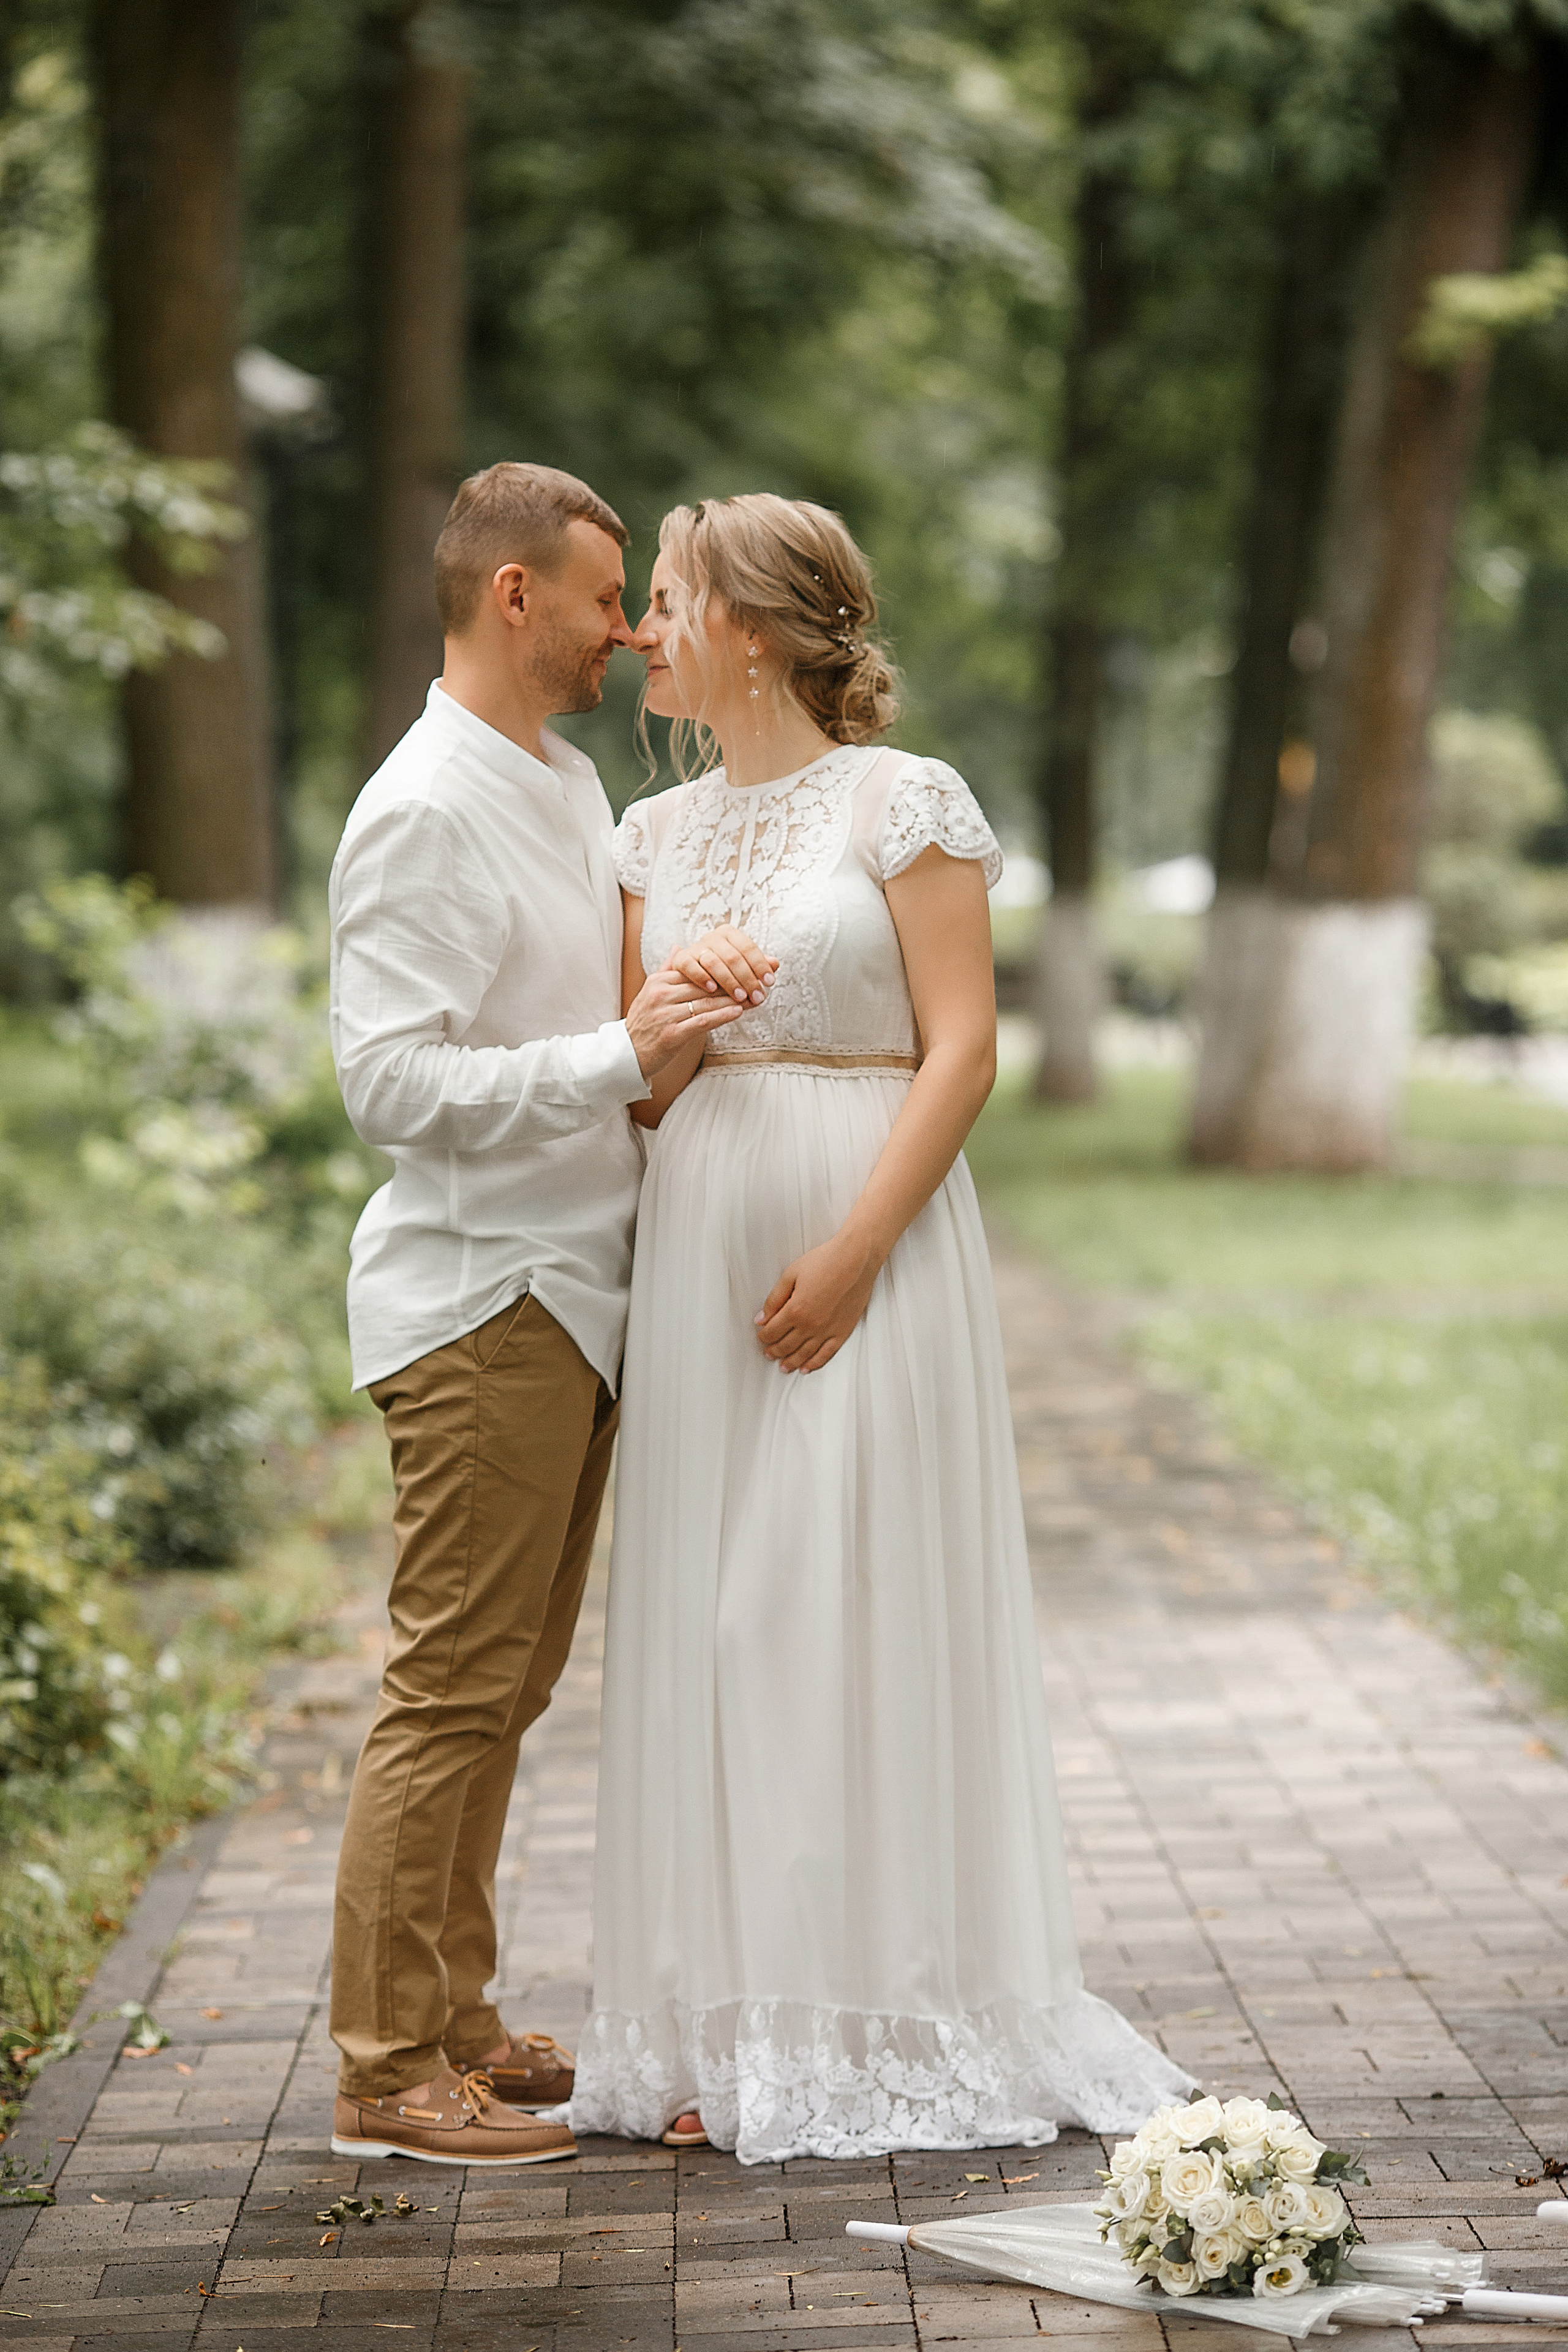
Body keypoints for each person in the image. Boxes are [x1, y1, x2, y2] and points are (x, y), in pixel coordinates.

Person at [567, 492, 1194, 2163]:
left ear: (757, 630)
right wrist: (671, 1022)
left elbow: (965, 1049)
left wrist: (852, 1253)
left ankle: (891, 2010)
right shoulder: (650, 838)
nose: (644, 630)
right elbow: (641, 1097)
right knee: (715, 1624)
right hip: (702, 1231)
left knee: (833, 1602)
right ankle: (732, 2022)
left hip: (874, 1225)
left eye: (675, 599)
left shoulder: (903, 804)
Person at [325, 462, 769, 2168]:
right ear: (516, 598)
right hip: (482, 1296)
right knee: (448, 1691)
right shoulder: (426, 804)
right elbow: (387, 1081)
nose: (633, 630)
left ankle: (457, 2023)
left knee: (502, 1692)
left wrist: (680, 998)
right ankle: (384, 2073)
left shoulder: (565, 778)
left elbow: (589, 1018)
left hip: (580, 1291)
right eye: (608, 599)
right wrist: (623, 1052)